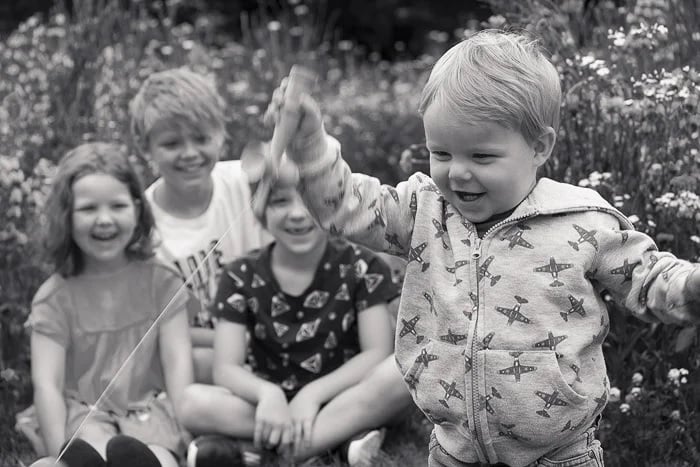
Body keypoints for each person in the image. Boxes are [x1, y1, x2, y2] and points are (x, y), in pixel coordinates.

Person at [264, 29, 700, 467]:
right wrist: (308, 144)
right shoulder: (422, 212)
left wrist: (689, 287)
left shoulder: (581, 222)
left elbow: (647, 277)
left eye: (482, 157)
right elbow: (345, 206)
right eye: (441, 153)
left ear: (539, 147)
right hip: (455, 449)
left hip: (560, 453)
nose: (458, 173)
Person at [178, 169, 402, 466]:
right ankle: (338, 443)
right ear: (260, 212)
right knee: (192, 402)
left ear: (333, 206)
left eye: (310, 200)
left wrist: (311, 394)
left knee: (400, 373)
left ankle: (259, 453)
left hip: (343, 395)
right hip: (269, 406)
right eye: (280, 202)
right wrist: (267, 394)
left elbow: (377, 353)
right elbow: (226, 369)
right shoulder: (239, 274)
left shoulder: (363, 265)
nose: (297, 214)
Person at [16, 143, 195, 467]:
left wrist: (184, 432)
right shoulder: (54, 297)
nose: (104, 220)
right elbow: (48, 384)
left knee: (155, 457)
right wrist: (60, 453)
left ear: (138, 209)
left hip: (149, 410)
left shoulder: (162, 280)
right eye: (88, 209)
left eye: (117, 205)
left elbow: (178, 362)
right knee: (91, 450)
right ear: (65, 217)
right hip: (84, 413)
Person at [129, 68, 271, 383]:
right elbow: (154, 330)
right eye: (171, 143)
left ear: (221, 133)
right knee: (194, 361)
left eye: (202, 138)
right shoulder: (139, 228)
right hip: (209, 353)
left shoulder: (247, 182)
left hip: (279, 333)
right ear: (144, 146)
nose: (190, 153)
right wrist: (242, 341)